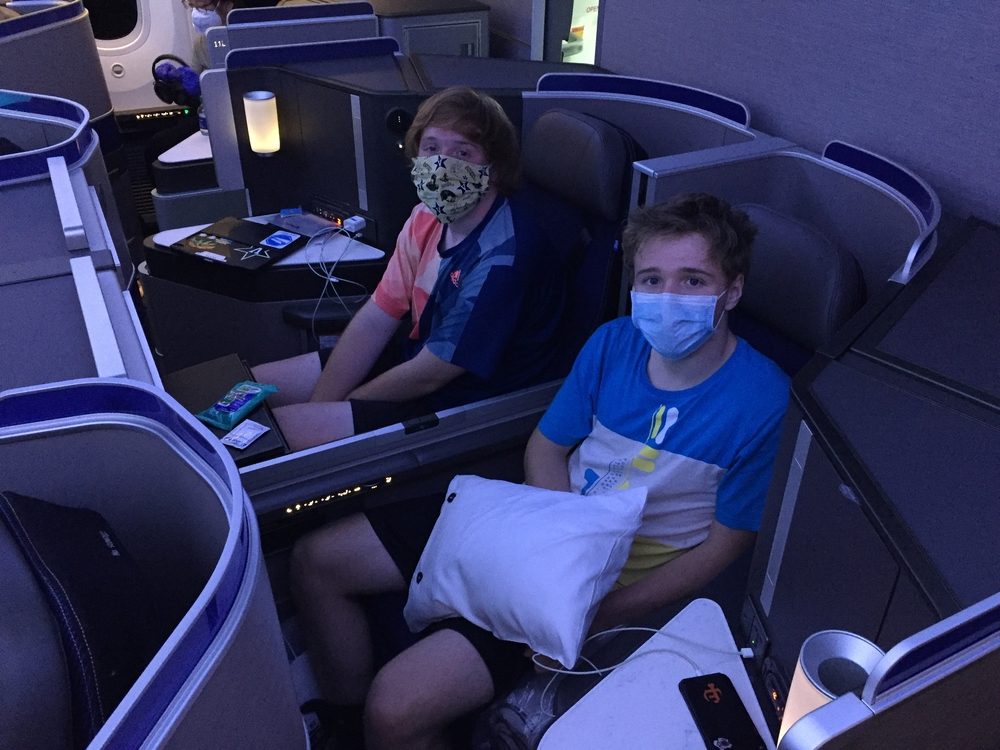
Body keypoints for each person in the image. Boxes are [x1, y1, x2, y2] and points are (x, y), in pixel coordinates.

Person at [290, 192, 790, 749]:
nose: (667, 297)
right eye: (651, 279)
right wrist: (555, 537)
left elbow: (723, 548)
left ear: (734, 290)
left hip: (606, 584)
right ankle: (338, 724)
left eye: (693, 281)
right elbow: (546, 449)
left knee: (395, 706)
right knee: (318, 560)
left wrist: (593, 607)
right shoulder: (613, 343)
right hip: (536, 526)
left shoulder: (763, 400)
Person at [252, 87, 571, 451]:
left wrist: (344, 406)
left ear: (493, 169)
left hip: (466, 400)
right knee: (248, 389)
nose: (441, 163)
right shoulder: (426, 217)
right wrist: (326, 404)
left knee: (275, 435)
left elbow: (432, 375)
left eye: (462, 152)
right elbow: (377, 317)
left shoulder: (505, 255)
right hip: (417, 356)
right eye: (431, 147)